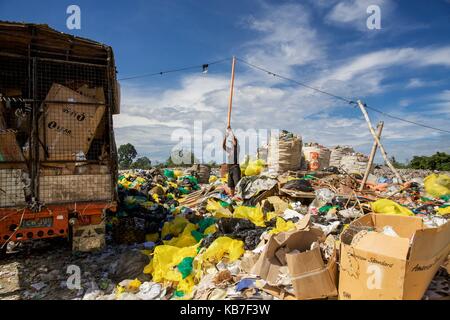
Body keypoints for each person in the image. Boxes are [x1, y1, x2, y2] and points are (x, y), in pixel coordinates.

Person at [222, 129, 240, 197]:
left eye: (232, 143)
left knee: (237, 184)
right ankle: (232, 198)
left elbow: (235, 141)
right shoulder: (230, 150)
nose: (232, 143)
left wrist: (230, 131)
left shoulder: (236, 148)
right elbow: (223, 146)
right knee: (231, 185)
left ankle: (239, 197)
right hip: (230, 169)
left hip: (235, 168)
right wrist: (225, 136)